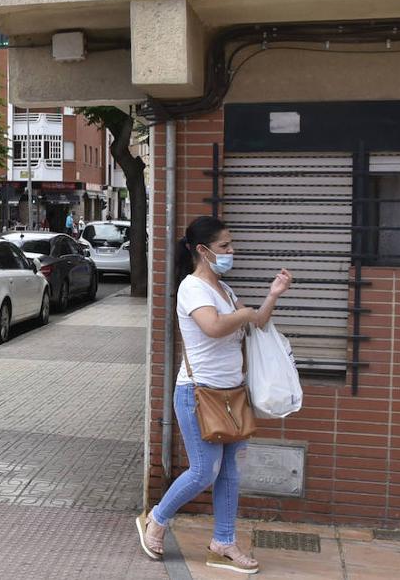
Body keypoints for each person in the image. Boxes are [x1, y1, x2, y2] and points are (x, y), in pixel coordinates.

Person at [137, 215, 293, 574]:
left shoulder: (224, 289)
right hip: (198, 394)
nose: (231, 251)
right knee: (204, 470)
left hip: (231, 395)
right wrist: (246, 314)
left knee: (229, 473)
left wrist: (272, 296)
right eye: (225, 246)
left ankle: (224, 540)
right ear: (203, 250)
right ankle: (157, 520)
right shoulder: (193, 288)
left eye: (231, 245)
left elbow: (257, 324)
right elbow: (212, 327)